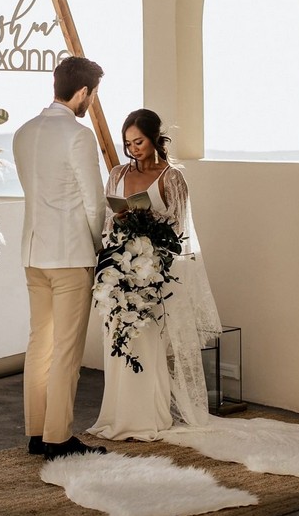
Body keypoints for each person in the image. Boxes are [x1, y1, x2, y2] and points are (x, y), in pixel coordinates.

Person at [88, 108, 222, 440]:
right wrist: (120, 225)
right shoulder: (117, 174)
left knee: (147, 346)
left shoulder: (172, 177)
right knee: (117, 345)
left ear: (155, 139)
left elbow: (180, 231)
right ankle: (116, 415)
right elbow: (106, 225)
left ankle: (151, 416)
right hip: (118, 274)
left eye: (140, 142)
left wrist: (149, 229)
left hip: (154, 277)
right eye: (128, 143)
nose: (134, 149)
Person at [13, 56, 108, 460]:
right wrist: (97, 245)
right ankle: (58, 439)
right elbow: (94, 202)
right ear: (83, 92)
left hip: (33, 253)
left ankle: (37, 433)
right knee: (67, 350)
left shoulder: (22, 133)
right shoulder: (78, 135)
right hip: (70, 256)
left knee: (40, 345)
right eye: (93, 94)